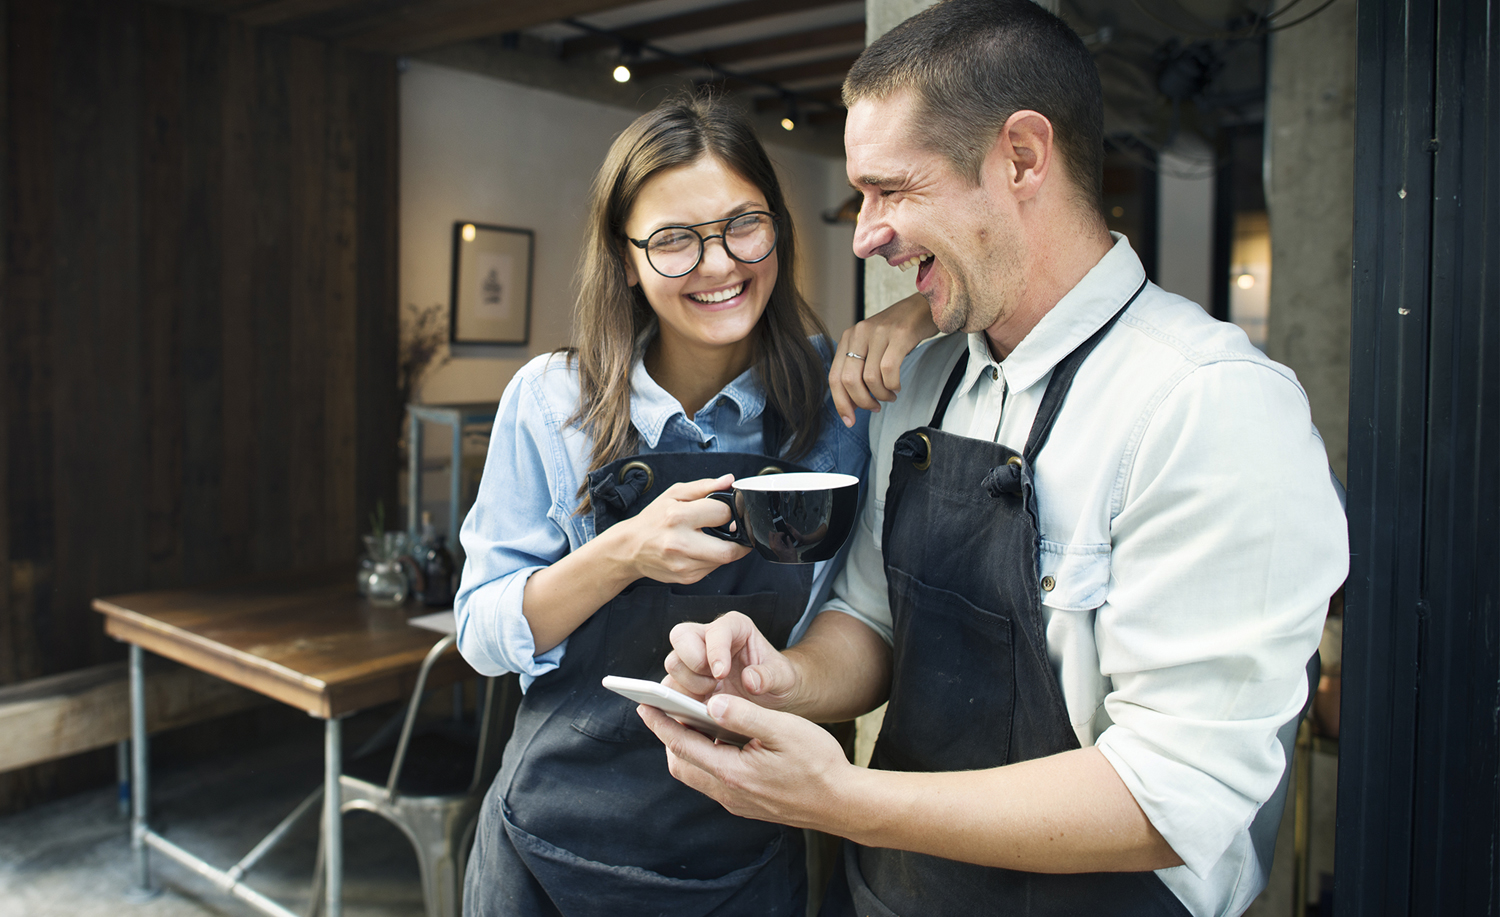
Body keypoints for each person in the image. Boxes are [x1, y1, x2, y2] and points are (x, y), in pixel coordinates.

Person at [639, 3, 1350, 917]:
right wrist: (784, 678)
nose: (864, 234)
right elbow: (871, 617)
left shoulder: (1209, 404)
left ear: (1020, 156)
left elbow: (1177, 796)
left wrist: (842, 801)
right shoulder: (922, 381)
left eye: (891, 190)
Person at [452, 94, 929, 917]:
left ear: (778, 228)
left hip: (745, 853)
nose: (717, 264)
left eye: (744, 224)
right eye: (673, 240)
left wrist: (917, 310)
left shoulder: (844, 402)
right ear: (626, 259)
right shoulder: (550, 400)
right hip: (545, 850)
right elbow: (482, 634)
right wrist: (623, 551)